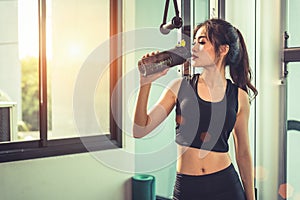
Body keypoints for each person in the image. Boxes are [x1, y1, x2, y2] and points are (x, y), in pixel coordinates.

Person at [133, 18, 258, 200]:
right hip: (188, 189)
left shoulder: (239, 97)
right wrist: (145, 83)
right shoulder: (179, 87)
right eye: (194, 43)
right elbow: (139, 130)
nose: (193, 48)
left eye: (202, 42)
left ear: (223, 49)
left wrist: (251, 198)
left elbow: (244, 153)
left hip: (226, 186)